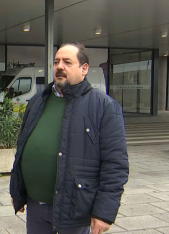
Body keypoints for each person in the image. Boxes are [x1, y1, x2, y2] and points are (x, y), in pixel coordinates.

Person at [10, 43, 129, 234]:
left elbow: (115, 164)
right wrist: (17, 191)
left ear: (84, 69)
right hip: (36, 207)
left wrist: (103, 212)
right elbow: (22, 149)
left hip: (74, 209)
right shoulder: (37, 101)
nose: (59, 67)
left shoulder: (104, 107)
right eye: (56, 62)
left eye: (67, 62)